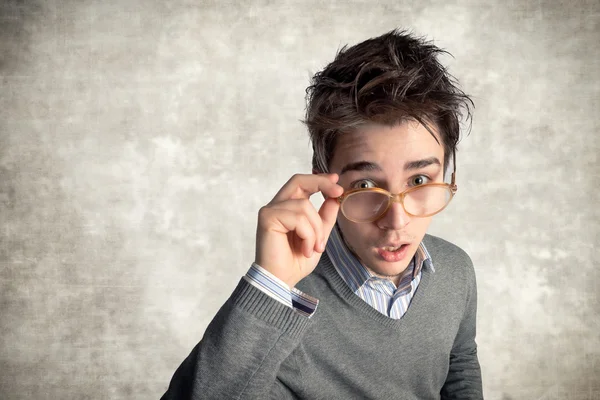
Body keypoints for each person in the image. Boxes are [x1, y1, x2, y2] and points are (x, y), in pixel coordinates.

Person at [161, 29, 483, 399]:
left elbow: (460, 362)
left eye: (421, 179)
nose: (396, 221)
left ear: (448, 172)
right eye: (364, 185)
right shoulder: (279, 317)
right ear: (322, 177)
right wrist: (271, 288)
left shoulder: (457, 270)